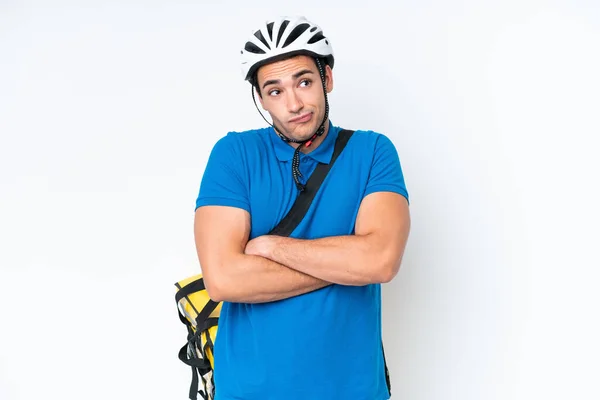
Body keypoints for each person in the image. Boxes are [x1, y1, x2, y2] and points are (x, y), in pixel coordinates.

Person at [193, 15, 411, 400]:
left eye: (304, 82)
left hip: (352, 390)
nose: (294, 104)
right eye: (274, 91)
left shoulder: (372, 152)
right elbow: (225, 279)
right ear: (261, 99)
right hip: (249, 391)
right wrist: (347, 265)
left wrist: (270, 247)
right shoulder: (235, 154)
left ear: (327, 78)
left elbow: (380, 261)